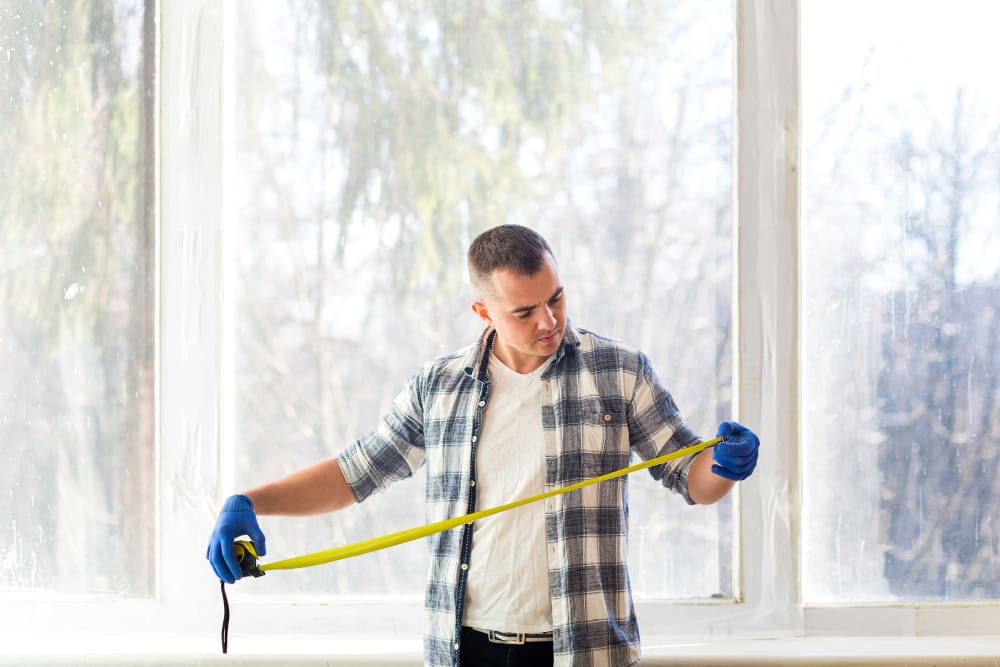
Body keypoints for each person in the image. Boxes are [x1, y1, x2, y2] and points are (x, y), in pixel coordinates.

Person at [207, 224, 760, 667]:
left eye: (557, 298)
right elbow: (356, 473)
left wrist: (725, 466)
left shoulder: (619, 370)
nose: (549, 321)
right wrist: (249, 502)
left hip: (585, 650)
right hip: (466, 649)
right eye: (524, 311)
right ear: (483, 312)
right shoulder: (440, 385)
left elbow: (692, 477)